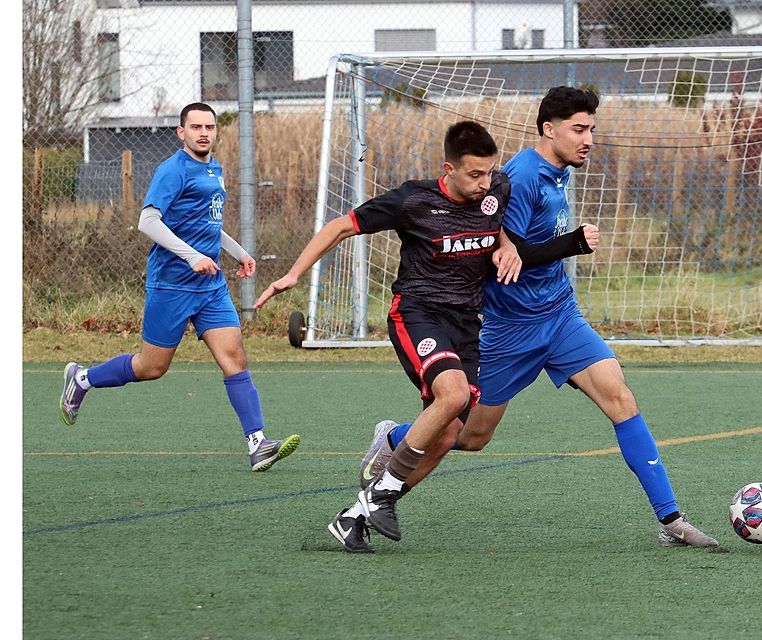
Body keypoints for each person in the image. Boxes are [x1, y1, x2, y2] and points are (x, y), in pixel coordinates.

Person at [360, 86, 719, 550]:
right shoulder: (520, 177)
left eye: (592, 128)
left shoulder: (558, 171)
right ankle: (393, 442)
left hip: (561, 316)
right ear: (549, 129)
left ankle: (672, 521)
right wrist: (572, 242)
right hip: (510, 330)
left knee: (621, 399)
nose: (589, 138)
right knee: (468, 436)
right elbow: (499, 254)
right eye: (579, 129)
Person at [254, 121, 531, 553]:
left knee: (455, 437)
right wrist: (293, 274)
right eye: (474, 175)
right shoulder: (413, 200)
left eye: (489, 173)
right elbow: (340, 227)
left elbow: (496, 225)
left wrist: (507, 242)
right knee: (453, 395)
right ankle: (382, 495)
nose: (484, 183)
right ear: (449, 169)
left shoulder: (498, 190)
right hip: (418, 314)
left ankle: (355, 517)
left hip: (467, 325)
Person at [58, 102, 300, 472]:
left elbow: (206, 224)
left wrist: (237, 252)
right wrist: (190, 256)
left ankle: (257, 443)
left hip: (211, 286)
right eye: (196, 127)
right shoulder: (172, 170)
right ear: (181, 132)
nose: (204, 133)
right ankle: (83, 378)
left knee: (234, 357)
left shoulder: (214, 168)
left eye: (210, 127)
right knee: (151, 367)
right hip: (171, 286)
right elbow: (148, 221)